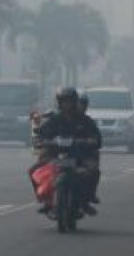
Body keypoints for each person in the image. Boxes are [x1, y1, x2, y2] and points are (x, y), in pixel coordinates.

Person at [33, 87, 102, 216]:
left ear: (74, 102)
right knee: (33, 170)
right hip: (56, 154)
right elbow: (42, 133)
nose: (67, 105)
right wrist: (41, 140)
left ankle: (86, 200)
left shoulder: (84, 120)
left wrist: (90, 141)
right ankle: (45, 201)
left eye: (69, 101)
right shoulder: (55, 119)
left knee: (93, 171)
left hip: (79, 155)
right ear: (59, 103)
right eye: (64, 102)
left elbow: (97, 138)